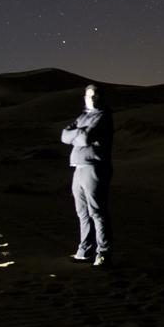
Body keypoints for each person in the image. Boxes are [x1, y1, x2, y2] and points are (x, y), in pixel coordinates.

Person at [61, 83, 114, 266]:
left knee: (96, 212)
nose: (91, 98)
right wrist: (79, 133)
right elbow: (64, 136)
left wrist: (77, 135)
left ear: (101, 97)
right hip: (78, 168)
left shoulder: (103, 116)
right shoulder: (83, 116)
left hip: (94, 168)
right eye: (88, 95)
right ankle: (84, 252)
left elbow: (85, 138)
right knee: (82, 212)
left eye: (95, 95)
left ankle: (103, 254)